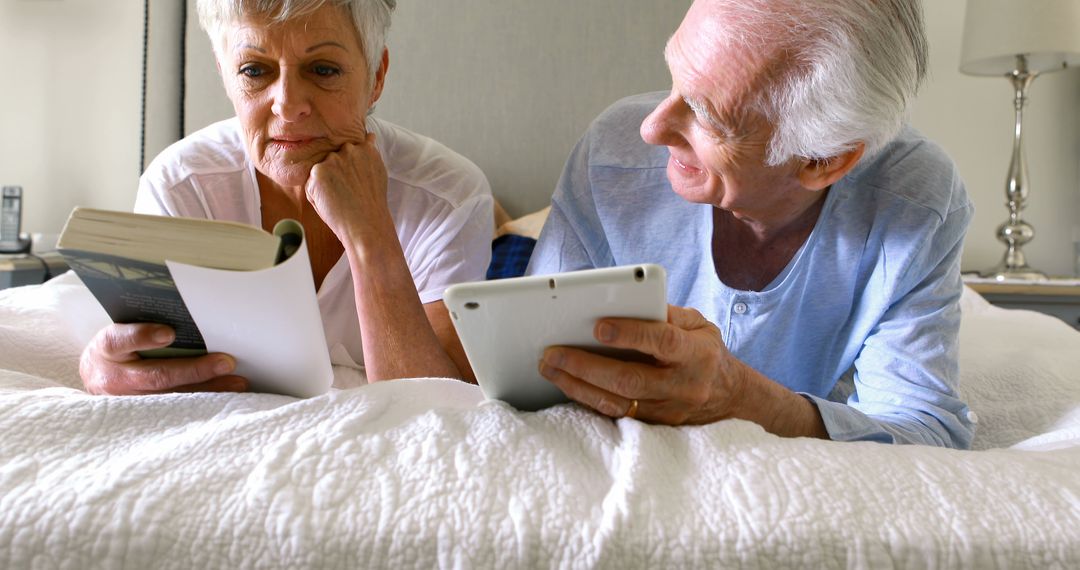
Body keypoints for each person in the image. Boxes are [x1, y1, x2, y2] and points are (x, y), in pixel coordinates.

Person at [529, 0, 976, 447]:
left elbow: (924, 431)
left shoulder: (914, 199)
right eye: (673, 79)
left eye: (706, 114)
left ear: (824, 160)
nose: (652, 128)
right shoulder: (614, 153)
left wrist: (738, 397)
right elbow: (531, 363)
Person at [79, 0, 493, 395]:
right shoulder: (182, 186)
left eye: (323, 69)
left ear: (376, 77)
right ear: (224, 72)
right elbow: (149, 360)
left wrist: (370, 235)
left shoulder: (445, 196)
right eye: (254, 70)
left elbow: (439, 402)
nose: (288, 104)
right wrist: (105, 365)